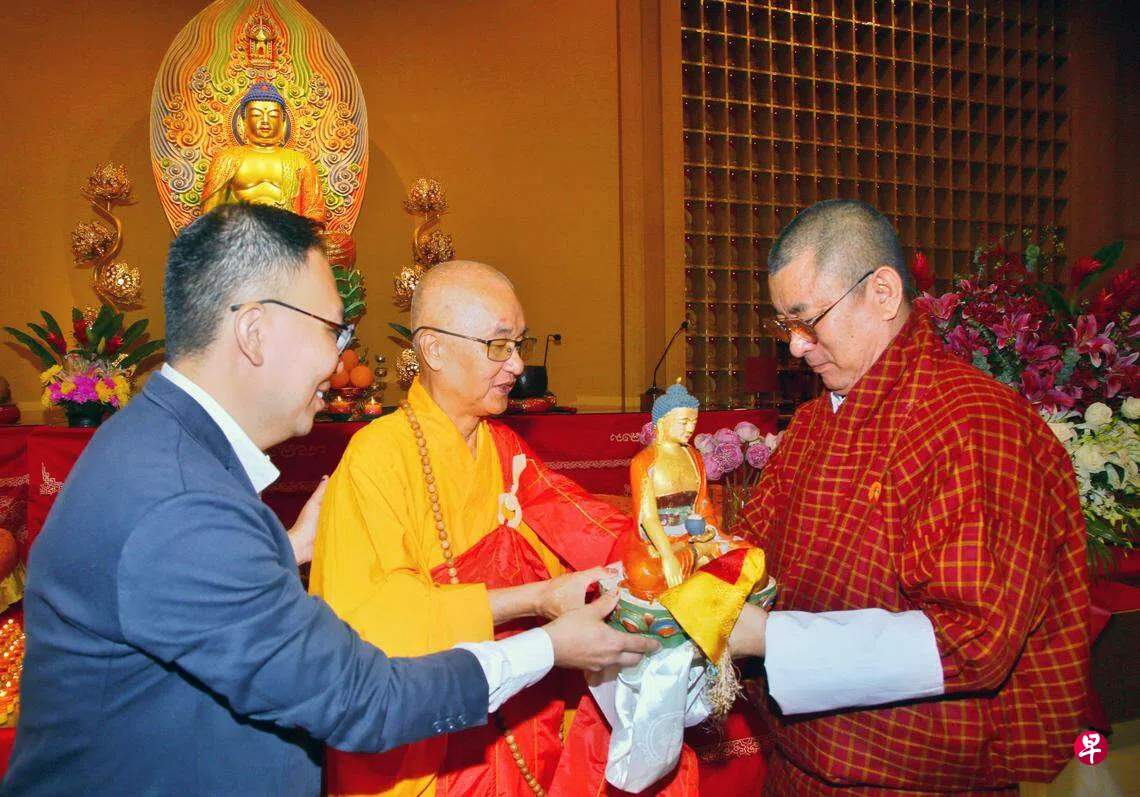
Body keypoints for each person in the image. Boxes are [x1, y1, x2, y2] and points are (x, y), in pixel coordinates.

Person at [2, 206, 652, 796]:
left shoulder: (158, 446)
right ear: (254, 331)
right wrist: (549, 644)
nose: (342, 363)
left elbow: (190, 599)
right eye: (333, 332)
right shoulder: (180, 503)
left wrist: (282, 550)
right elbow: (362, 699)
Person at [728, 199, 1090, 795]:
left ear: (883, 293)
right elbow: (752, 553)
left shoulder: (974, 421)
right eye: (784, 326)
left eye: (807, 321)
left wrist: (765, 638)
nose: (794, 347)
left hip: (910, 778)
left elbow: (974, 639)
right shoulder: (814, 422)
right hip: (796, 762)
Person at [312, 260, 705, 797]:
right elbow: (371, 624)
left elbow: (582, 522)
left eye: (519, 343)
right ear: (434, 349)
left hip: (519, 718)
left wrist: (672, 547)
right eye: (498, 345)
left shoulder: (503, 447)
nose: (517, 364)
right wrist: (534, 599)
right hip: (430, 736)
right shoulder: (377, 457)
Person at [202, 81, 327, 223]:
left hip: (286, 232)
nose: (265, 121)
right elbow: (210, 214)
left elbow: (315, 210)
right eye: (256, 115)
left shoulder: (300, 161)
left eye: (273, 115)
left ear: (283, 123)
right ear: (243, 122)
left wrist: (299, 230)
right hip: (242, 231)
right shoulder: (227, 159)